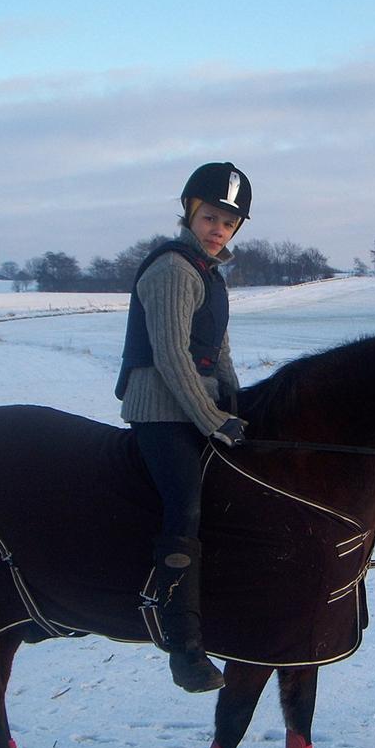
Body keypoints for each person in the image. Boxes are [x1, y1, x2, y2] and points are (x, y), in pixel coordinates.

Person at [115, 161, 252, 693]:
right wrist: (214, 419)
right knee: (185, 500)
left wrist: (238, 402)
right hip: (159, 410)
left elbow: (217, 351)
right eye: (211, 217)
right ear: (191, 213)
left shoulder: (209, 273)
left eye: (230, 223)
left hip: (198, 406)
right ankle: (181, 642)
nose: (219, 229)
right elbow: (172, 357)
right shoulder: (173, 269)